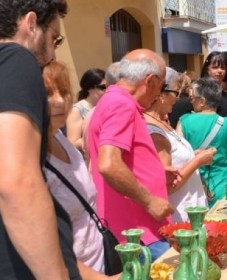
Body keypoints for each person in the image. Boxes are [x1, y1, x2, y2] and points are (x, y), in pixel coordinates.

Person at [0, 1, 80, 279]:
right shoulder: (16, 58)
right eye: (55, 39)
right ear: (30, 23)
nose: (52, 54)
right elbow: (17, 182)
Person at [88, 49, 180, 261]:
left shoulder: (113, 100)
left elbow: (118, 158)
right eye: (162, 85)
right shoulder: (122, 104)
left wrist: (155, 170)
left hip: (133, 230)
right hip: (139, 232)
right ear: (150, 80)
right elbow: (108, 164)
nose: (160, 93)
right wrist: (149, 201)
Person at [43, 61, 119, 279]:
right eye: (48, 92)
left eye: (64, 91)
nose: (59, 100)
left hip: (99, 262)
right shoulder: (28, 158)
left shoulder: (60, 137)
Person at [145, 67, 216, 222]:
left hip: (191, 211)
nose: (177, 99)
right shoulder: (154, 132)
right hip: (180, 216)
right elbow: (169, 186)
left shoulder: (162, 122)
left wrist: (193, 155)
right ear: (162, 95)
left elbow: (176, 160)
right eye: (176, 92)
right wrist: (198, 162)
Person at [178, 78, 227, 207]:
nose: (190, 101)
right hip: (223, 183)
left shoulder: (184, 121)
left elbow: (180, 153)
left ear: (202, 101)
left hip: (196, 186)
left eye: (192, 98)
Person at [67, 68, 106, 153]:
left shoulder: (106, 106)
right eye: (103, 87)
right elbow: (72, 142)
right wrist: (98, 138)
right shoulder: (77, 110)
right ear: (90, 88)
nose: (106, 90)